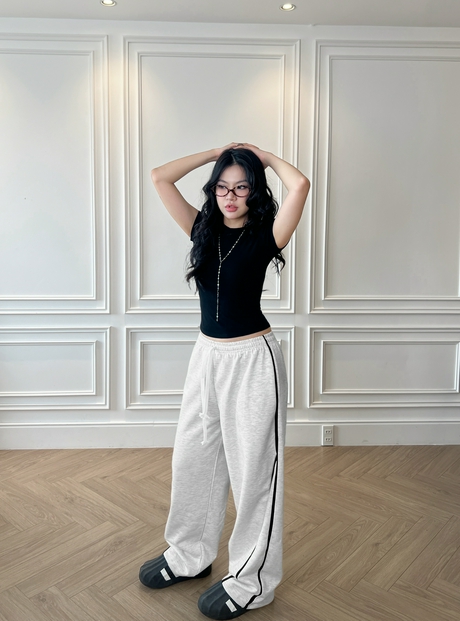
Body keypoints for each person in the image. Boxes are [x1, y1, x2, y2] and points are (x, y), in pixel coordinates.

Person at [139, 143, 310, 620]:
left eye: (241, 187)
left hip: (253, 361)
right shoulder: (202, 229)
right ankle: (189, 554)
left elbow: (299, 185)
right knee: (193, 458)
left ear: (255, 192)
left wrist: (260, 155)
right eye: (222, 187)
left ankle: (253, 581)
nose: (230, 196)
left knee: (254, 473)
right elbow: (159, 176)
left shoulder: (267, 236)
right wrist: (220, 152)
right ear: (213, 190)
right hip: (206, 356)